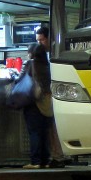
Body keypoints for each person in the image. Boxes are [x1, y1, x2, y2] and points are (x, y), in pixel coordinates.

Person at [35, 26, 66, 168]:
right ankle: (60, 155)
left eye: (41, 40)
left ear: (48, 38)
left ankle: (58, 156)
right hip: (55, 94)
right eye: (38, 40)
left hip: (54, 95)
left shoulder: (54, 53)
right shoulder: (47, 54)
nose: (40, 43)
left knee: (54, 127)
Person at [21, 43, 52, 169]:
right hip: (46, 102)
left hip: (33, 101)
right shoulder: (47, 65)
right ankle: (45, 160)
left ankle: (35, 161)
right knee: (44, 132)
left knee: (34, 132)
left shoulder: (30, 64)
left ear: (31, 53)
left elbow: (20, 79)